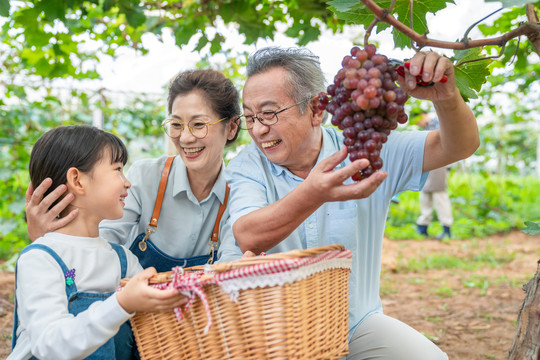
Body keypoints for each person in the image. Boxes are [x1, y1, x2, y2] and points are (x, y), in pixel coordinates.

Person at [217, 47, 479, 359]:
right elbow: (249, 234)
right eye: (250, 117)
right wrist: (314, 193)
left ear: (316, 108)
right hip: (276, 337)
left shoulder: (366, 149)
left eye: (270, 113)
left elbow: (460, 146)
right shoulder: (247, 166)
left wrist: (446, 97)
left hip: (356, 327)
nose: (259, 129)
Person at [25, 69, 241, 272]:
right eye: (176, 125)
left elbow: (230, 266)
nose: (184, 138)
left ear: (231, 127)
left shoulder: (241, 192)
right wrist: (46, 239)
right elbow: (102, 241)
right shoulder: (146, 177)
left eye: (199, 124)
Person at [9, 125, 186, 360]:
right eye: (118, 170)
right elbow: (49, 345)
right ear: (77, 180)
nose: (128, 183)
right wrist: (120, 304)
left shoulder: (124, 260)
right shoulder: (41, 258)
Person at [416, 112, 454, 239]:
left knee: (439, 194)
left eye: (418, 121)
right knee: (425, 191)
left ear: (422, 115)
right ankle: (423, 226)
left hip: (440, 162)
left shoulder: (435, 122)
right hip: (429, 161)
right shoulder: (427, 125)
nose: (418, 124)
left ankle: (446, 227)